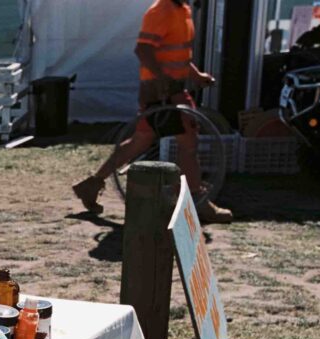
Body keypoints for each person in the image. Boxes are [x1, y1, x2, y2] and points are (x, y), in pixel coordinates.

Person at [72, 0, 233, 224]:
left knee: (141, 141)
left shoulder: (182, 10)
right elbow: (143, 49)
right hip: (162, 93)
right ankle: (196, 201)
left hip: (171, 90)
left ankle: (92, 183)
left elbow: (177, 54)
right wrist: (161, 79)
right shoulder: (161, 10)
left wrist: (196, 76)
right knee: (188, 145)